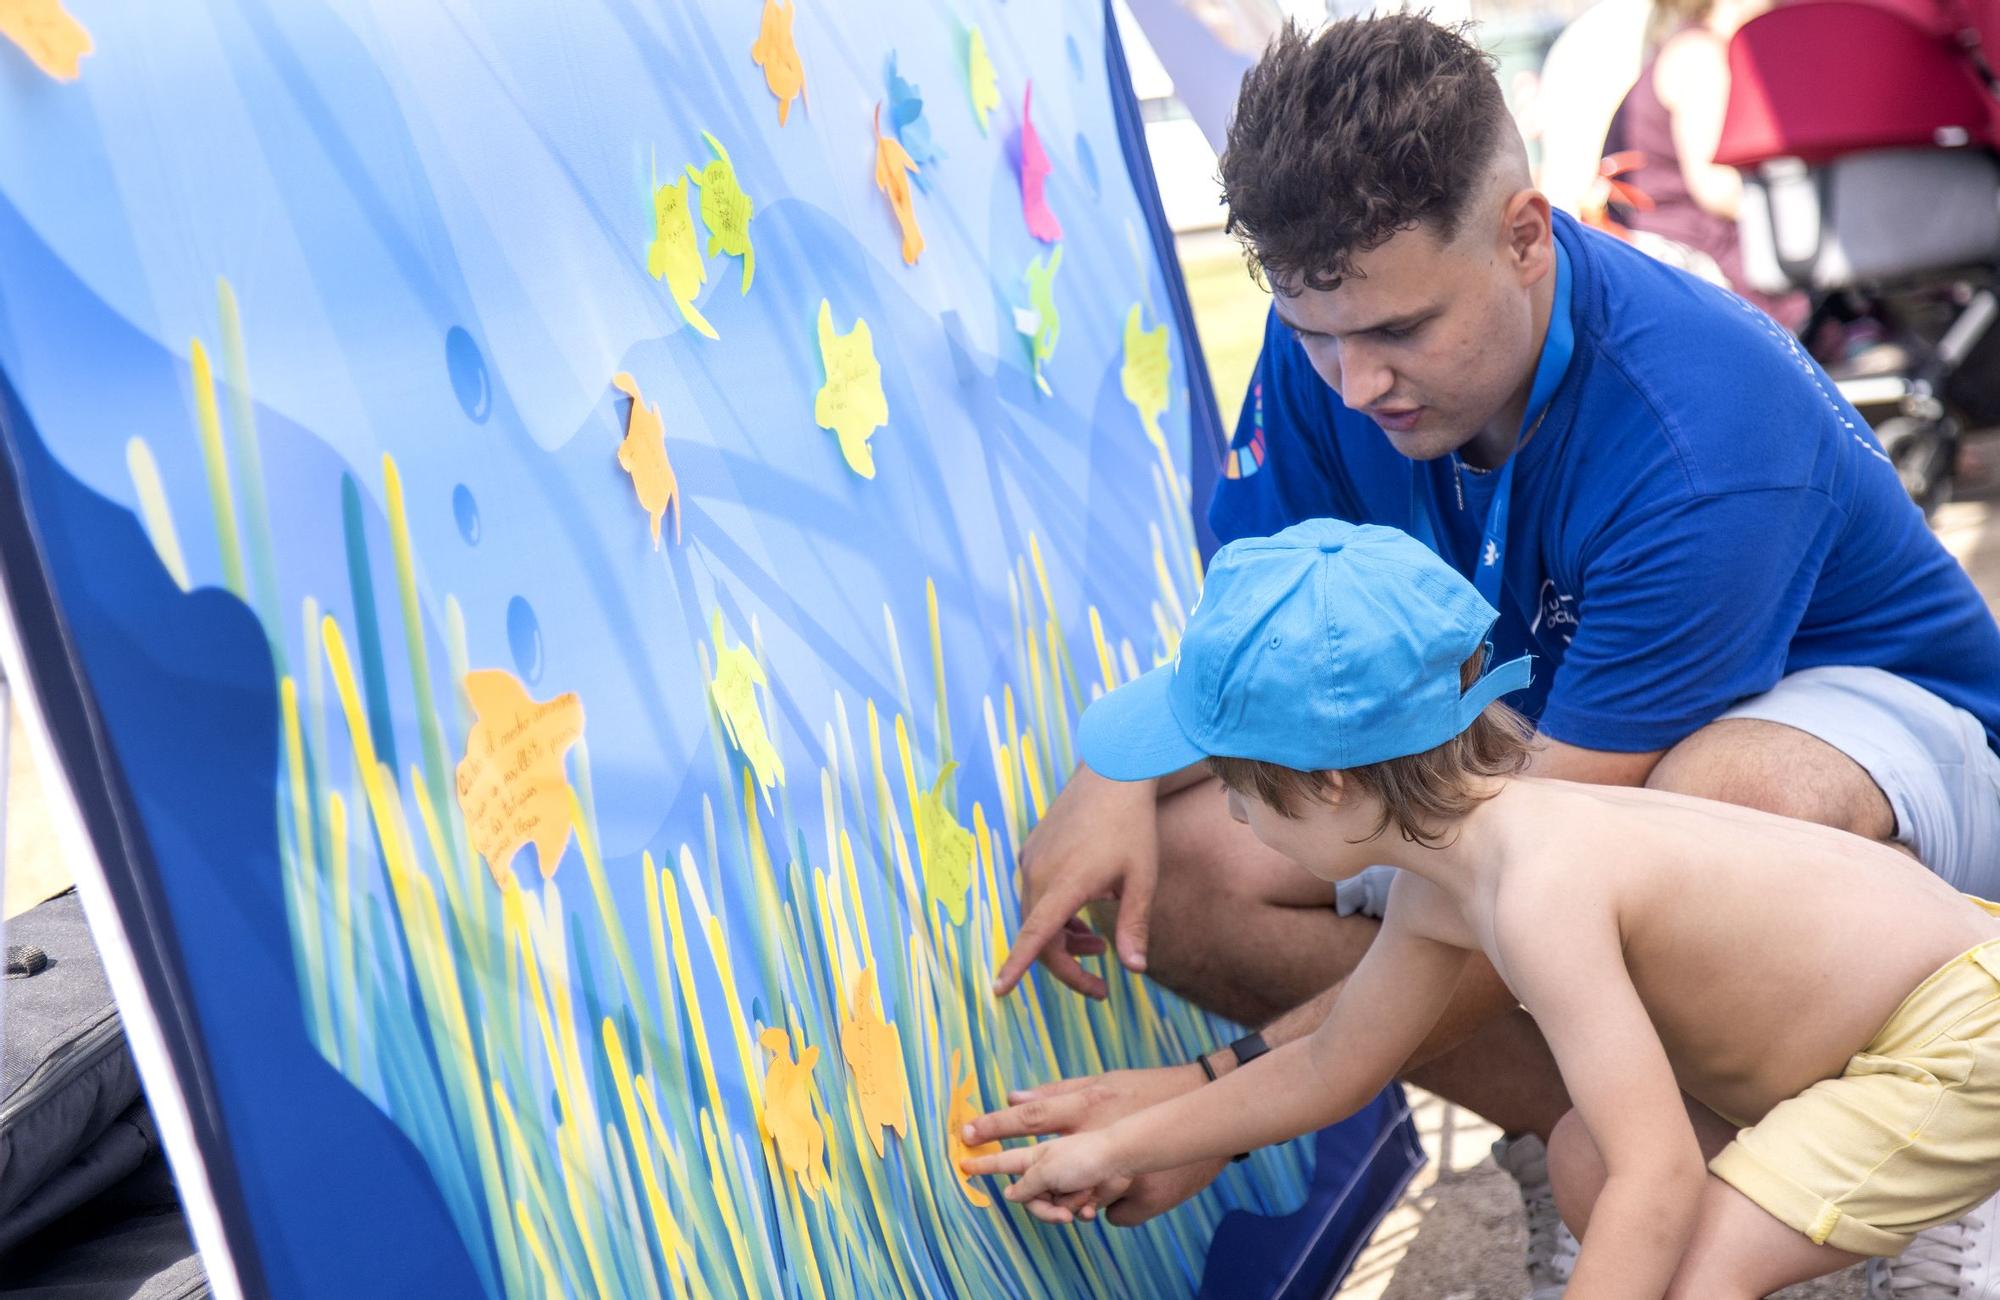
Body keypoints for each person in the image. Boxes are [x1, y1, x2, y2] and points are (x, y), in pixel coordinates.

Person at [973, 13, 2000, 1294]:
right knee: (1176, 869)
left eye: (1399, 331)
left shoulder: (1697, 432)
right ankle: (1634, 1153)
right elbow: (1275, 647)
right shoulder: (1341, 351)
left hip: (1882, 771)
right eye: (1310, 333)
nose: (1351, 385)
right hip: (1509, 750)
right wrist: (1112, 783)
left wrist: (1209, 1094)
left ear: (1524, 235)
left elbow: (1534, 871)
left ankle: (1882, 1175)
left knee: (1695, 822)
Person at [963, 520, 2000, 1299]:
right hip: (1876, 1024)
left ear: (1325, 787)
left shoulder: (1542, 889)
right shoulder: (1454, 870)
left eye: (1237, 788)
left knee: (1689, 1265)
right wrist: (1111, 1147)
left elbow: (1659, 1175)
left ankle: (1945, 1205)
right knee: (1586, 1160)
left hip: (1947, 1041)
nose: (1229, 812)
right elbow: (1334, 1065)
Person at [1599, 0, 1805, 327]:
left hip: (1693, 250)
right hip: (1699, 259)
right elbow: (1716, 187)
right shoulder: (1700, 55)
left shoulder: (1696, 47)